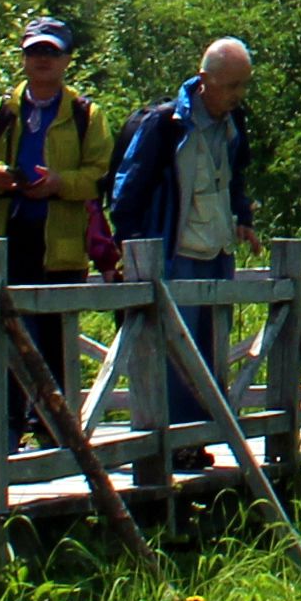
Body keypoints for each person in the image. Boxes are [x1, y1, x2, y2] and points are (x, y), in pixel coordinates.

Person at [108, 38, 254, 396]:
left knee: (210, 356)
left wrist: (244, 217)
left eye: (244, 84)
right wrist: (130, 248)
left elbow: (235, 177)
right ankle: (169, 443)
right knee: (173, 355)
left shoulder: (234, 122)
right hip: (176, 256)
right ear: (204, 79)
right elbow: (128, 189)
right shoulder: (164, 124)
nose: (238, 94)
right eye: (231, 85)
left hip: (218, 255)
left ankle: (197, 441)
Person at [0, 16, 114, 392]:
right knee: (7, 336)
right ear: (24, 58)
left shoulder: (86, 115)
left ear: (67, 60)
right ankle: (11, 427)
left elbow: (99, 174)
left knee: (56, 342)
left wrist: (60, 183)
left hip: (63, 243)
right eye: (35, 52)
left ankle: (58, 433)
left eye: (51, 51)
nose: (42, 59)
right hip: (8, 237)